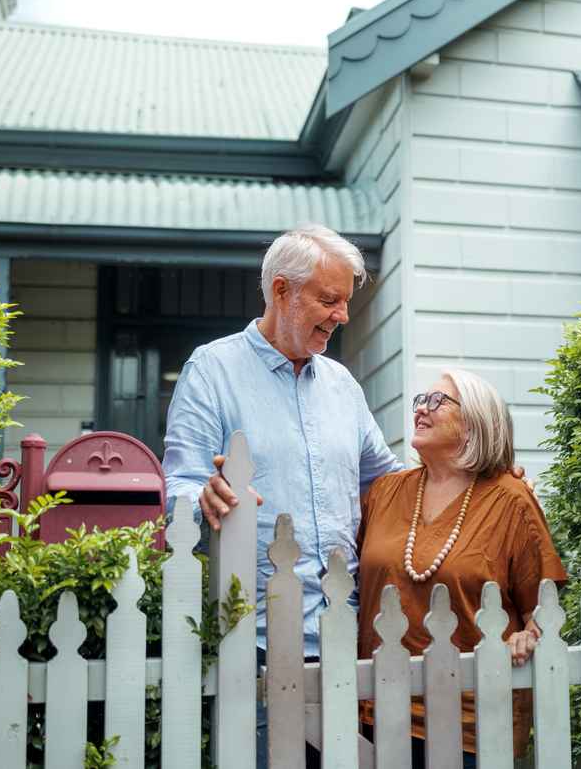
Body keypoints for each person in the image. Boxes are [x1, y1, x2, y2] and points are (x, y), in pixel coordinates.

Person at [162, 224, 402, 767]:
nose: (342, 315)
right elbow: (177, 485)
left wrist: (480, 479)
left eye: (346, 300)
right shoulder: (212, 370)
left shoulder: (343, 386)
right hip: (258, 647)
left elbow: (389, 486)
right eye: (329, 299)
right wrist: (202, 497)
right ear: (281, 291)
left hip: (349, 639)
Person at [356, 369, 567, 767]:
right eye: (421, 399)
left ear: (474, 425)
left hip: (472, 724)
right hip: (378, 712)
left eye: (437, 401)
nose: (421, 408)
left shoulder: (511, 500)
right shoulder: (385, 492)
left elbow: (542, 609)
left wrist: (530, 635)